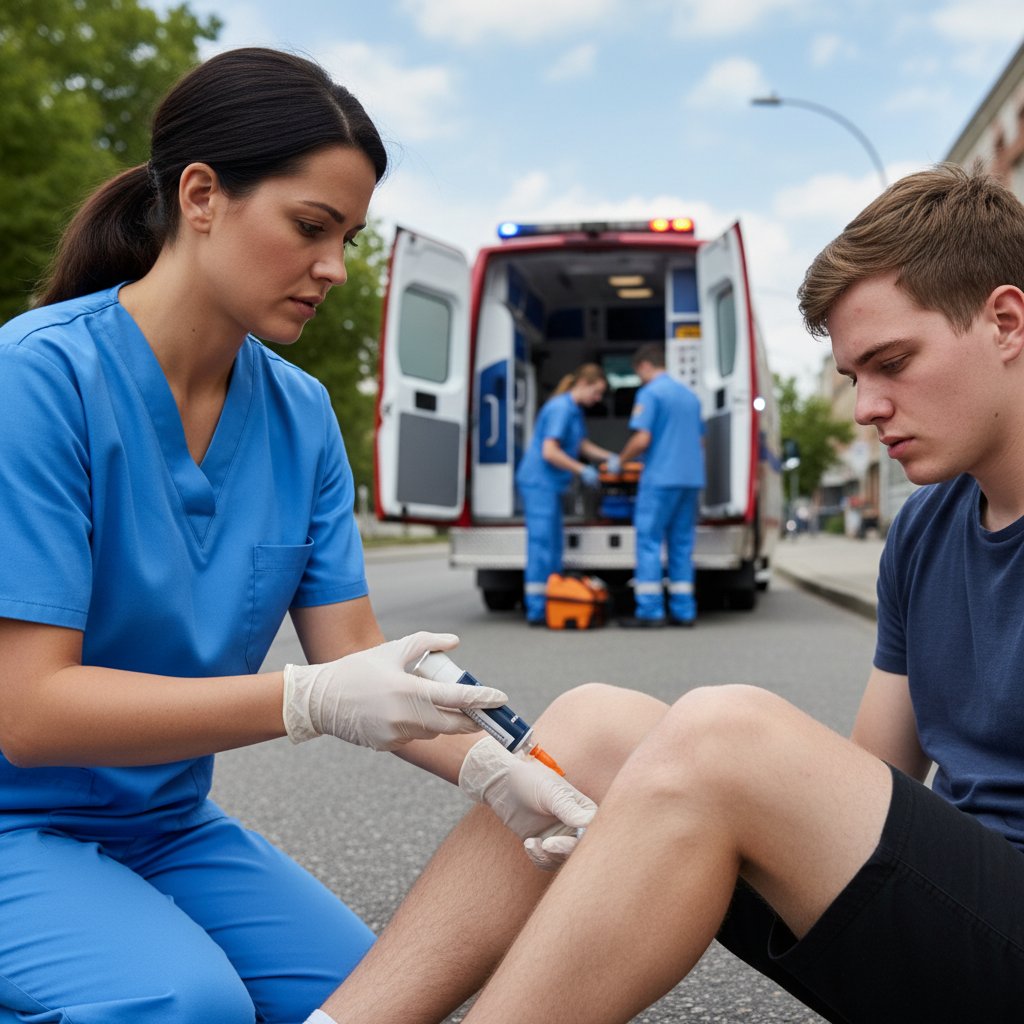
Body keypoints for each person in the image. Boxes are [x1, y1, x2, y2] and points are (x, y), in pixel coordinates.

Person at [0, 47, 602, 1023]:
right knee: (184, 1004)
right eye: (311, 228)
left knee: (367, 994)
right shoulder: (34, 381)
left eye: (350, 237)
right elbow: (27, 711)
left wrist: (501, 771)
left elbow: (359, 653)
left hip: (161, 822)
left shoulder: (300, 414)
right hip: (11, 823)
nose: (334, 267)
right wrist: (308, 699)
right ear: (201, 195)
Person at [424, 163, 1024, 1022]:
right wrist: (651, 829)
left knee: (723, 734)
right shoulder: (926, 529)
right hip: (965, 910)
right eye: (854, 376)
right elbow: (873, 785)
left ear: (1006, 321)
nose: (865, 409)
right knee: (593, 726)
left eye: (892, 363)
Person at [514, 364, 617, 625]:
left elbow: (580, 444)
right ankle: (537, 609)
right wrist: (582, 469)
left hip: (550, 486)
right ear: (583, 383)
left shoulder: (573, 411)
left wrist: (612, 457)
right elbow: (550, 451)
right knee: (542, 547)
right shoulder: (560, 408)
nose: (597, 399)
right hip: (539, 483)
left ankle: (553, 601)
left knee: (553, 546)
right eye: (596, 392)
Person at [615, 342, 705, 628]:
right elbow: (700, 441)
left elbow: (642, 439)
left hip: (660, 478)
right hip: (690, 479)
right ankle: (684, 610)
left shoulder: (650, 393)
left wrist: (621, 460)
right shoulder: (690, 397)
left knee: (650, 541)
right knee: (681, 544)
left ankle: (651, 611)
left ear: (644, 366)